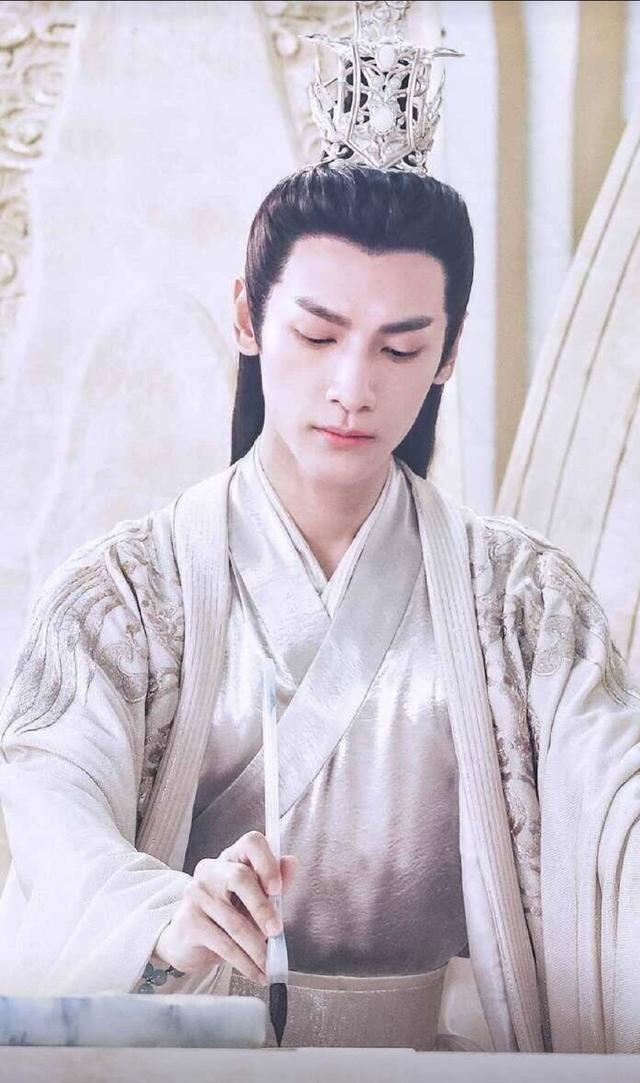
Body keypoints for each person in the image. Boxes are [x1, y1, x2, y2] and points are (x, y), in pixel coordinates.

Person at [1, 1, 639, 1055]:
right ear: (249, 319)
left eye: (400, 347)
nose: (352, 385)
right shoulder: (127, 596)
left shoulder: (523, 605)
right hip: (191, 1065)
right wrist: (161, 910)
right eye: (317, 333)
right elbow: (52, 804)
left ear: (447, 352)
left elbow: (614, 808)